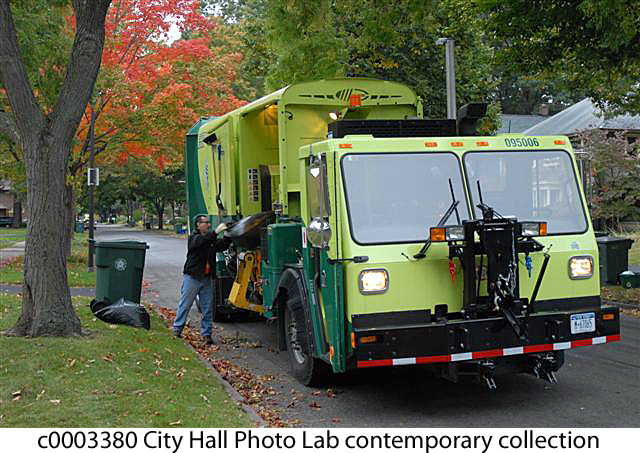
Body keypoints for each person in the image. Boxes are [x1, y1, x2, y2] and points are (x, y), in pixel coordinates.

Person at [173, 214, 231, 344]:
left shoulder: (210, 240)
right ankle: (177, 329)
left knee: (208, 308)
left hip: (206, 278)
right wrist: (216, 232)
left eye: (209, 223)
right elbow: (201, 241)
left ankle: (206, 334)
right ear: (198, 225)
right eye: (206, 222)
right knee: (185, 305)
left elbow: (222, 246)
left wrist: (228, 235)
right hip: (192, 277)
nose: (209, 225)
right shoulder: (194, 238)